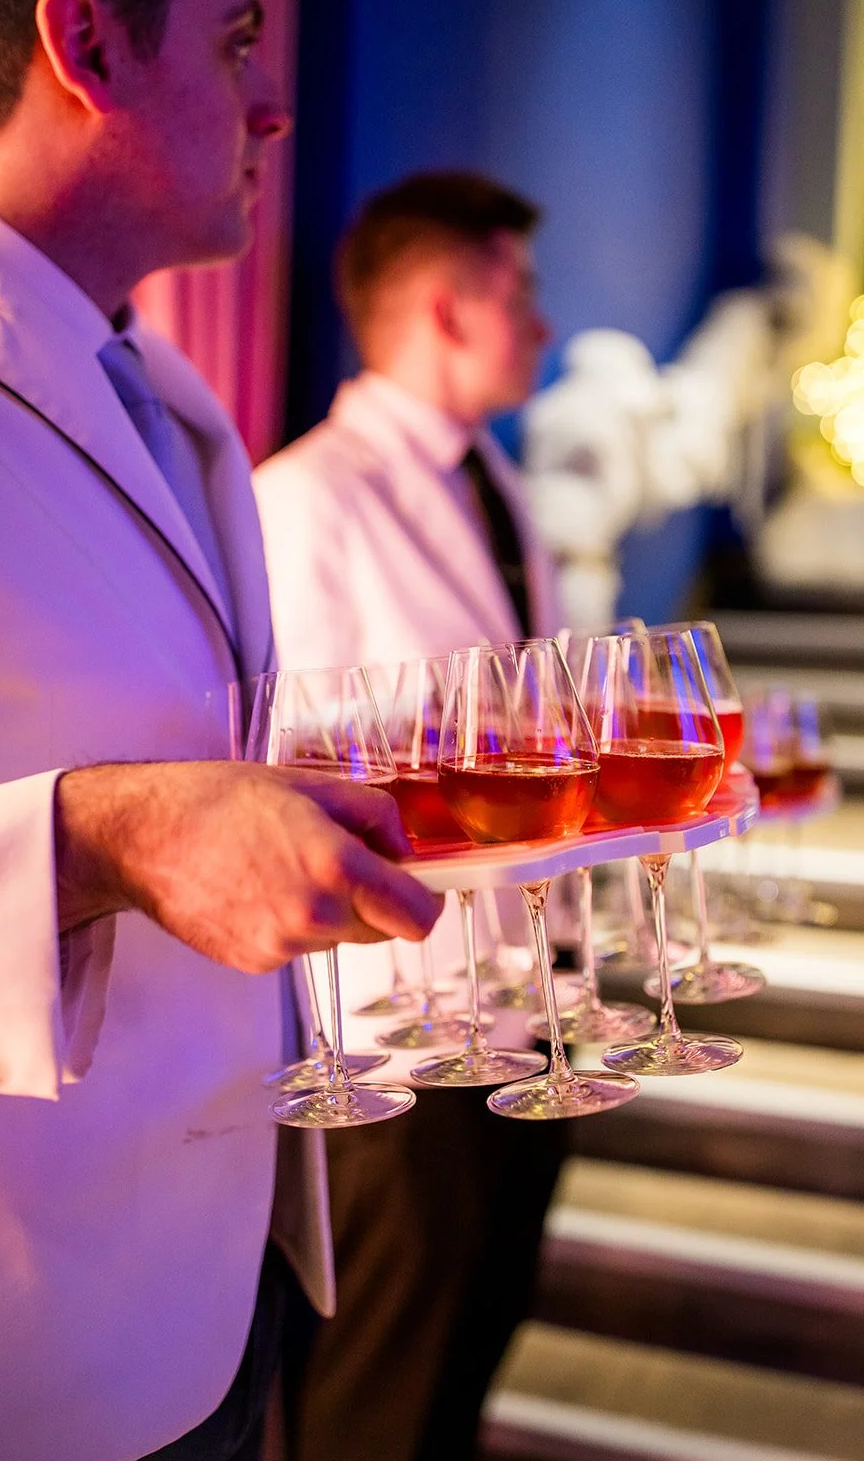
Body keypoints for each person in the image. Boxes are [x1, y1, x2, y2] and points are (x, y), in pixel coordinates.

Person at [0, 0, 440, 1460]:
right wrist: (104, 836)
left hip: (223, 1291)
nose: (277, 100)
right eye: (235, 38)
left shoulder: (161, 380)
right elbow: (125, 807)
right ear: (83, 43)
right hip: (0, 1351)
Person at [253, 171, 567, 1461]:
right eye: (521, 293)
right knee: (385, 1380)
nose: (543, 325)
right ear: (447, 310)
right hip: (392, 1015)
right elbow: (281, 770)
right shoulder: (306, 500)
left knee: (471, 1339)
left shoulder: (494, 481)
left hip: (526, 993)